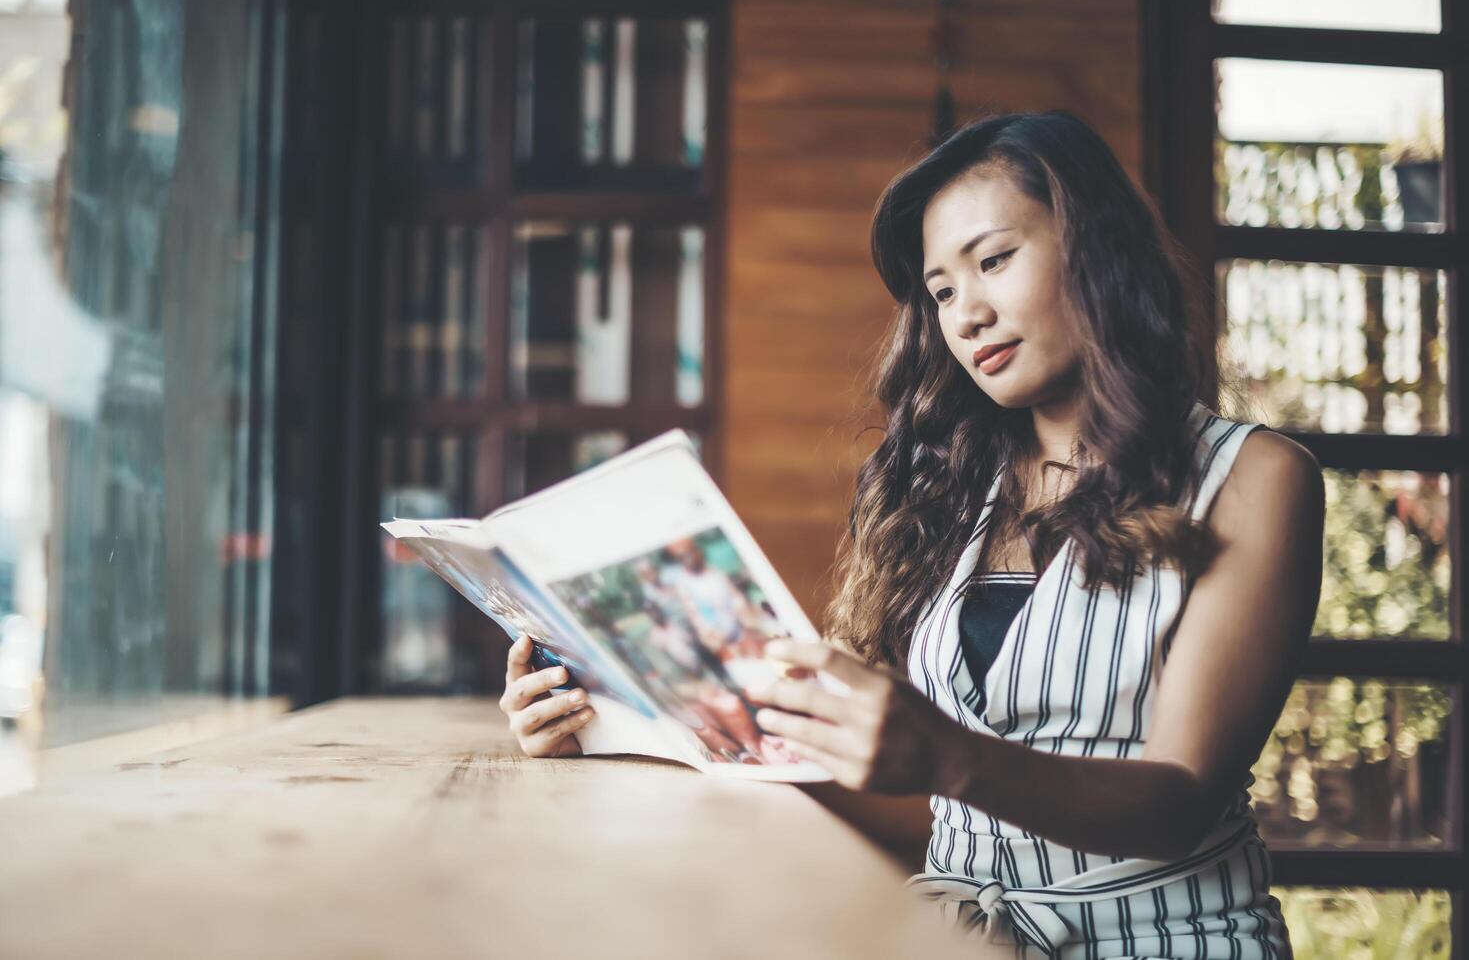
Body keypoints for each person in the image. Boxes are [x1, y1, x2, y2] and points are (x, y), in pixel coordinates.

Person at [500, 109, 1323, 957]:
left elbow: (1178, 800)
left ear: (1096, 251)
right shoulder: (944, 490)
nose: (965, 314)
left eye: (993, 261)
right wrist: (626, 726)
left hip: (1172, 940)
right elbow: (911, 797)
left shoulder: (1253, 478)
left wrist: (947, 755)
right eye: (940, 291)